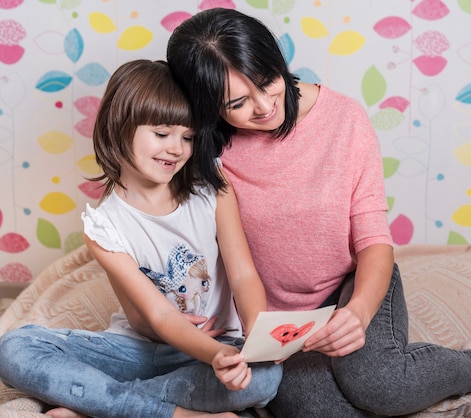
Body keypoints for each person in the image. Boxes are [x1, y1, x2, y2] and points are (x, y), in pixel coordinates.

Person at [164, 8, 471, 417]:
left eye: (267, 81)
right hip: (277, 317)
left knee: (382, 385)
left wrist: (358, 312)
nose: (263, 106)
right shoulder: (205, 150)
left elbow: (373, 239)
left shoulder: (343, 118)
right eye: (237, 102)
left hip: (353, 281)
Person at [0, 59, 281, 418]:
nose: (177, 149)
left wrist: (254, 343)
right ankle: (177, 414)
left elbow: (243, 275)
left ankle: (99, 406)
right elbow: (160, 316)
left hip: (216, 344)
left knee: (265, 379)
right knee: (15, 348)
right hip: (137, 350)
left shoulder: (213, 188)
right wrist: (210, 355)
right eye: (162, 134)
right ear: (120, 128)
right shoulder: (104, 226)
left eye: (188, 137)